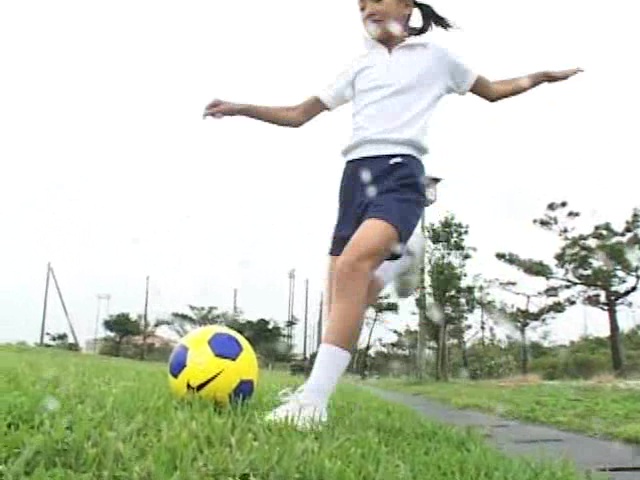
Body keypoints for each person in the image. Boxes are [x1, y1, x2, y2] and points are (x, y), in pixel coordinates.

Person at [203, 0, 582, 429]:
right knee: (342, 301)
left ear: (406, 6)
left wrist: (541, 77)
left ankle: (311, 404)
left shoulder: (436, 58)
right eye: (362, 5)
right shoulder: (359, 67)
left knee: (351, 268)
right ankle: (396, 263)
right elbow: (298, 115)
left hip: (401, 173)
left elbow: (493, 90)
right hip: (354, 179)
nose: (366, 7)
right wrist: (240, 107)